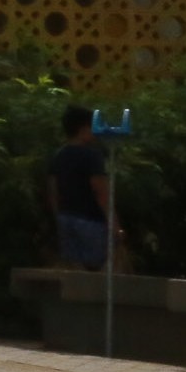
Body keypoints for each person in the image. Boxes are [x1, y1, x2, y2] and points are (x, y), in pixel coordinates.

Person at [47, 105, 112, 272]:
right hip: (91, 221)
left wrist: (58, 217)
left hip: (66, 218)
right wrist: (114, 223)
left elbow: (53, 191)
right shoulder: (92, 156)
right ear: (83, 128)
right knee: (95, 271)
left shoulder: (59, 156)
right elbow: (101, 192)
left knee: (73, 271)